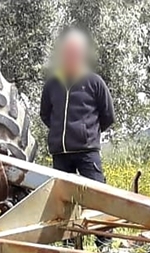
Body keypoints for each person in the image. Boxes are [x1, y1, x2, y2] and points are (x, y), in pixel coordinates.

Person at [39, 29, 115, 183]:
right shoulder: (52, 85)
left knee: (97, 196)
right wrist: (59, 130)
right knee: (61, 202)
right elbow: (45, 114)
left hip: (87, 153)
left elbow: (108, 116)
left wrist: (87, 133)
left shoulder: (95, 82)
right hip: (60, 155)